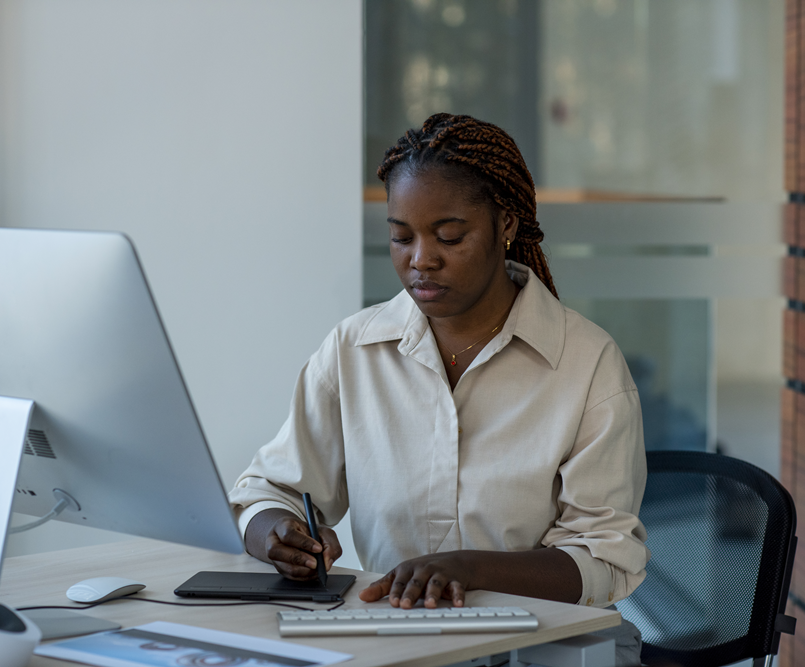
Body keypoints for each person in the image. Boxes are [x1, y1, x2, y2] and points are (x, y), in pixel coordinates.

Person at [228, 113, 649, 666]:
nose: (420, 259)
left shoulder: (587, 362)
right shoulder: (353, 350)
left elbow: (607, 560)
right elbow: (268, 490)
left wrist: (467, 568)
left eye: (449, 236)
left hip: (541, 646)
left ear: (507, 224)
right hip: (395, 640)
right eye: (401, 237)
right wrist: (275, 533)